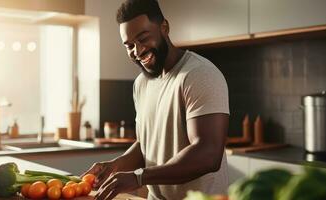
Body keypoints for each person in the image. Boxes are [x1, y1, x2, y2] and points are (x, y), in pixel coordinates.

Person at [82, 0, 230, 199]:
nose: (138, 50)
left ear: (164, 27)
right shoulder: (141, 84)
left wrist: (139, 177)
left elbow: (208, 154)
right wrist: (115, 166)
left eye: (143, 38)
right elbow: (146, 145)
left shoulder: (199, 75)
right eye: (129, 45)